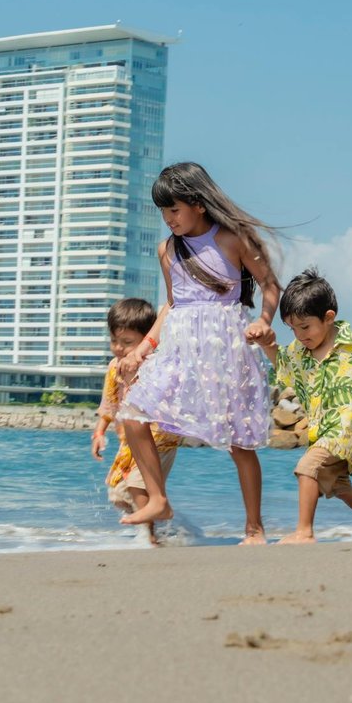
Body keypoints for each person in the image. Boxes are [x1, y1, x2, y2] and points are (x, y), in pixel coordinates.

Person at [115, 162, 280, 544]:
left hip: (227, 350)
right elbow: (172, 305)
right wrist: (143, 347)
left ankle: (254, 529)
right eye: (163, 212)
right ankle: (158, 499)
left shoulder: (234, 238)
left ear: (198, 203)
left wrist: (265, 321)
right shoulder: (167, 250)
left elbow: (270, 284)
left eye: (174, 209)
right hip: (180, 348)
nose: (168, 219)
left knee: (240, 443)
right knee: (134, 415)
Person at [257, 268, 352, 543]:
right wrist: (269, 347)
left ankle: (304, 532)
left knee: (307, 467)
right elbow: (283, 366)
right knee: (339, 487)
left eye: (305, 327)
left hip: (345, 429)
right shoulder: (298, 351)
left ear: (328, 318)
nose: (300, 335)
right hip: (321, 429)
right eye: (293, 328)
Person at [90, 298, 183, 544]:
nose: (119, 348)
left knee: (137, 484)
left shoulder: (153, 365)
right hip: (129, 442)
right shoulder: (113, 367)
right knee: (118, 494)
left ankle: (149, 535)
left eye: (127, 342)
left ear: (147, 340)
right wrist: (99, 432)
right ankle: (165, 531)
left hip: (158, 438)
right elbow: (109, 402)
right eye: (114, 341)